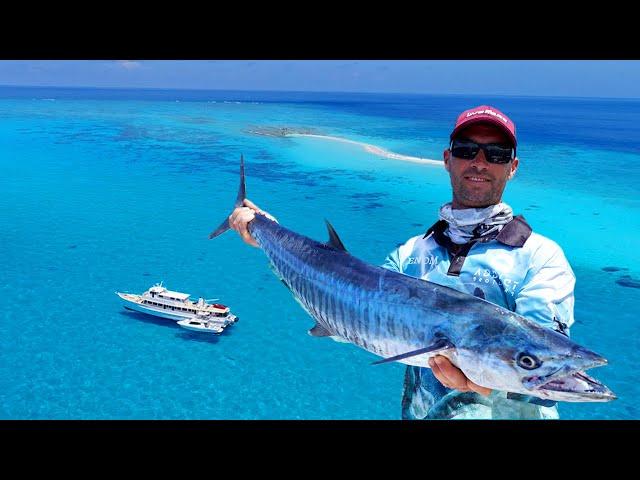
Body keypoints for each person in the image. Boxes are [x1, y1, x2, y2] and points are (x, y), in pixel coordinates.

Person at [227, 105, 575, 420]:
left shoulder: (541, 258)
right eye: (467, 150)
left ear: (512, 167)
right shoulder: (410, 255)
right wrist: (266, 237)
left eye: (496, 154)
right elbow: (348, 318)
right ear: (447, 158)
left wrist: (484, 386)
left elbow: (538, 368)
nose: (480, 162)